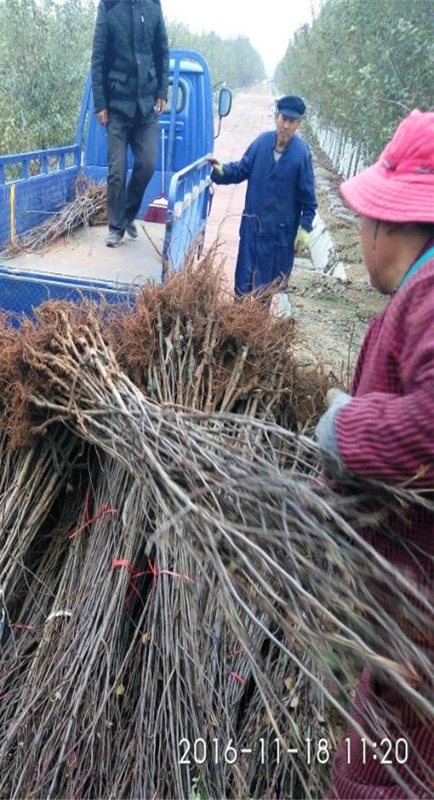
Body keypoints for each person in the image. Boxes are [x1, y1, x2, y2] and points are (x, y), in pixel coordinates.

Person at [315, 109, 434, 798]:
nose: (360, 239)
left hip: (419, 624)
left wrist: (347, 428)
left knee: (373, 781)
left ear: (392, 225)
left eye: (364, 223)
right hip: (408, 610)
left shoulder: (428, 294)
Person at [208, 95, 317, 300]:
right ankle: (236, 327)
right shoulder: (261, 143)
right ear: (276, 117)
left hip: (278, 237)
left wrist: (305, 228)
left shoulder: (301, 155)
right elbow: (241, 169)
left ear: (298, 123)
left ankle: (257, 329)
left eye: (291, 121)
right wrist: (221, 170)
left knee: (264, 293)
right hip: (252, 230)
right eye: (283, 118)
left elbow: (309, 200)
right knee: (242, 287)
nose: (286, 125)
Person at [90, 0, 169, 248]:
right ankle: (116, 227)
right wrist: (100, 103)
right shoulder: (109, 6)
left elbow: (162, 52)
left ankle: (126, 214)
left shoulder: (153, 6)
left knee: (147, 164)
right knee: (117, 170)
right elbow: (98, 58)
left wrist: (162, 92)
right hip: (117, 106)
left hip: (145, 105)